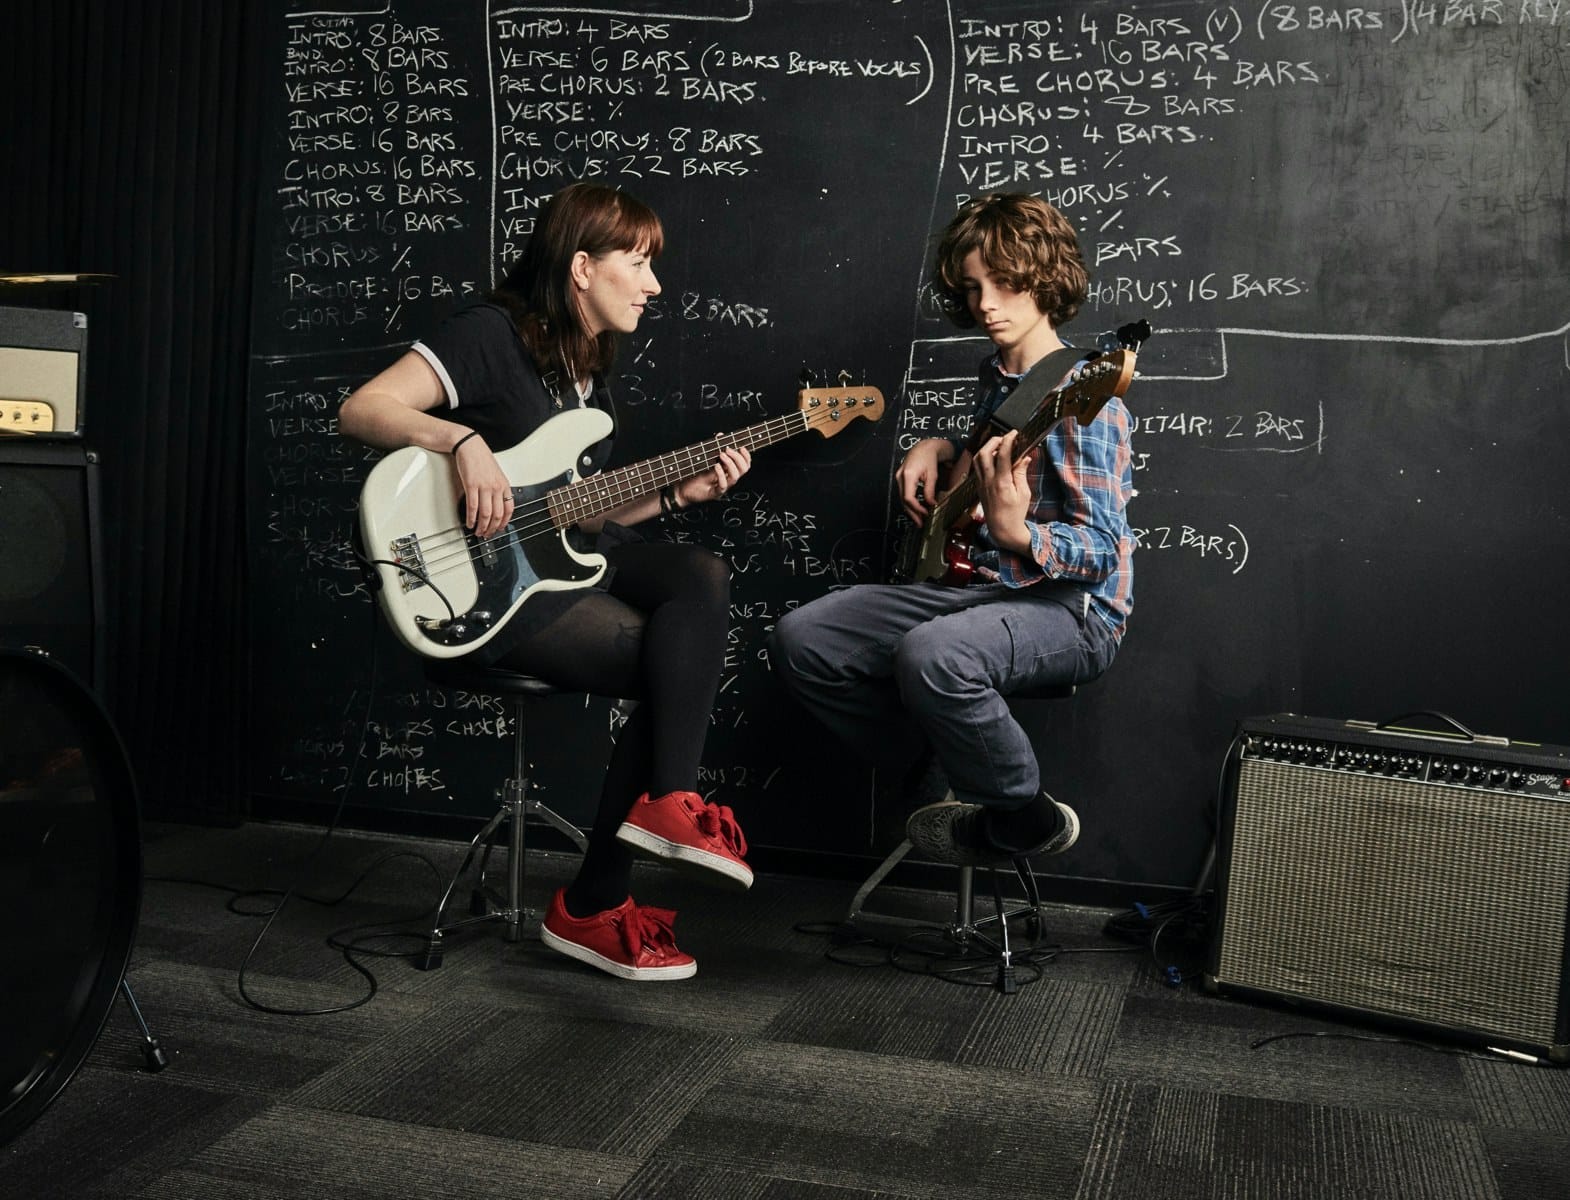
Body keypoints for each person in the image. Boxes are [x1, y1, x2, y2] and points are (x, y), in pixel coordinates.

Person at [340, 181, 753, 982]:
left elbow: (575, 516)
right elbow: (363, 409)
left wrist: (678, 494)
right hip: (477, 586)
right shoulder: (491, 334)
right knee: (668, 666)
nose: (654, 285)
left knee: (699, 574)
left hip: (549, 566)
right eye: (639, 263)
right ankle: (595, 902)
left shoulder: (584, 371)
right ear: (582, 268)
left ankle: (668, 803)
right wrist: (460, 442)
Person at [769, 192, 1134, 865]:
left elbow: (1104, 552)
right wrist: (938, 448)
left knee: (934, 653)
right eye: (972, 288)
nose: (986, 304)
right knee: (804, 639)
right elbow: (982, 465)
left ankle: (1022, 813)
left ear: (1044, 279)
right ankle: (933, 753)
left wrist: (1021, 535)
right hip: (976, 590)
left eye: (1004, 283)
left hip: (1070, 609)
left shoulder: (1086, 397)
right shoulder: (996, 378)